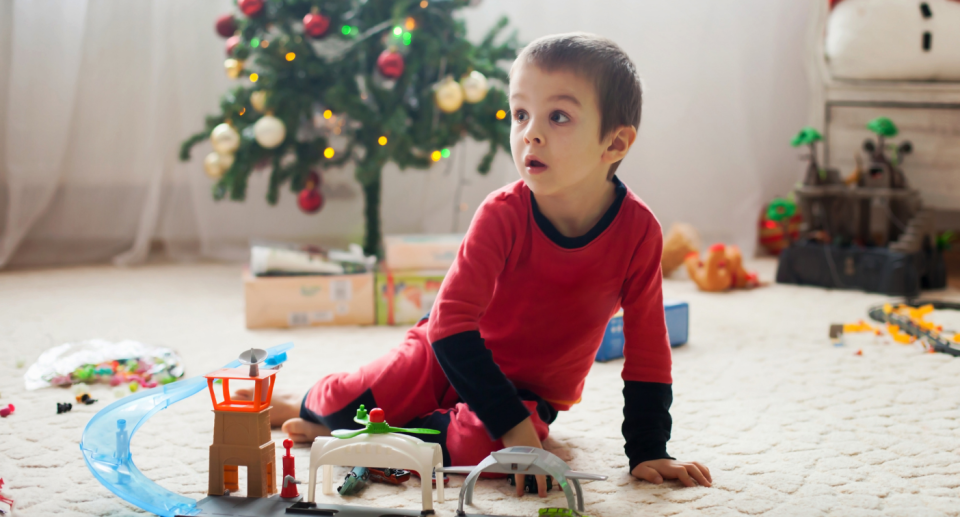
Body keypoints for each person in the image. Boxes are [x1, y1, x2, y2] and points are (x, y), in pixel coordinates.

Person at [252, 32, 712, 495]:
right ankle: (309, 407)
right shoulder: (502, 213)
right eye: (520, 113)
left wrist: (649, 449)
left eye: (558, 116)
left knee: (486, 454)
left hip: (530, 391)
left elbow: (649, 346)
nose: (530, 131)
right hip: (443, 357)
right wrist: (518, 431)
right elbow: (450, 326)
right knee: (345, 400)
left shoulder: (639, 231)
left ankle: (374, 438)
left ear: (614, 144)